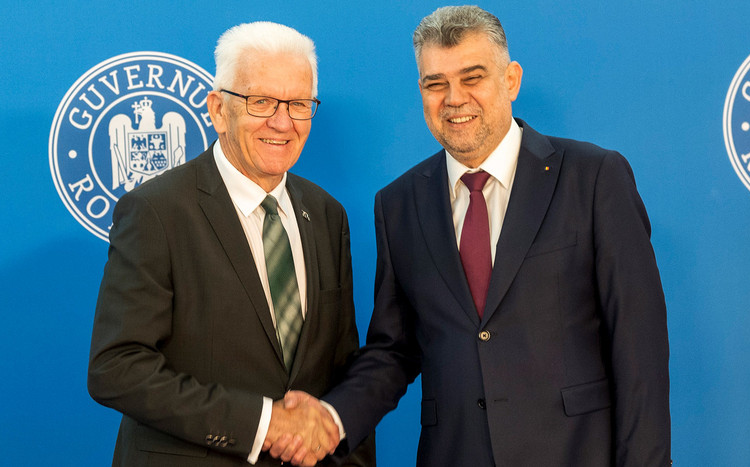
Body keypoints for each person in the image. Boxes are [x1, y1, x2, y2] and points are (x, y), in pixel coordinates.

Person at [277, 5, 671, 466]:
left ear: (511, 80)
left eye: (472, 77)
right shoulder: (399, 203)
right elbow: (394, 349)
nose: (454, 98)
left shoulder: (594, 178)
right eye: (435, 83)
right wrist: (332, 417)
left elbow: (639, 351)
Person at [87, 21, 374, 467]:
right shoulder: (156, 211)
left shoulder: (325, 214)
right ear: (219, 109)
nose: (282, 122)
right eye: (261, 101)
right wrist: (263, 422)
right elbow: (118, 368)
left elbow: (343, 367)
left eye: (298, 104)